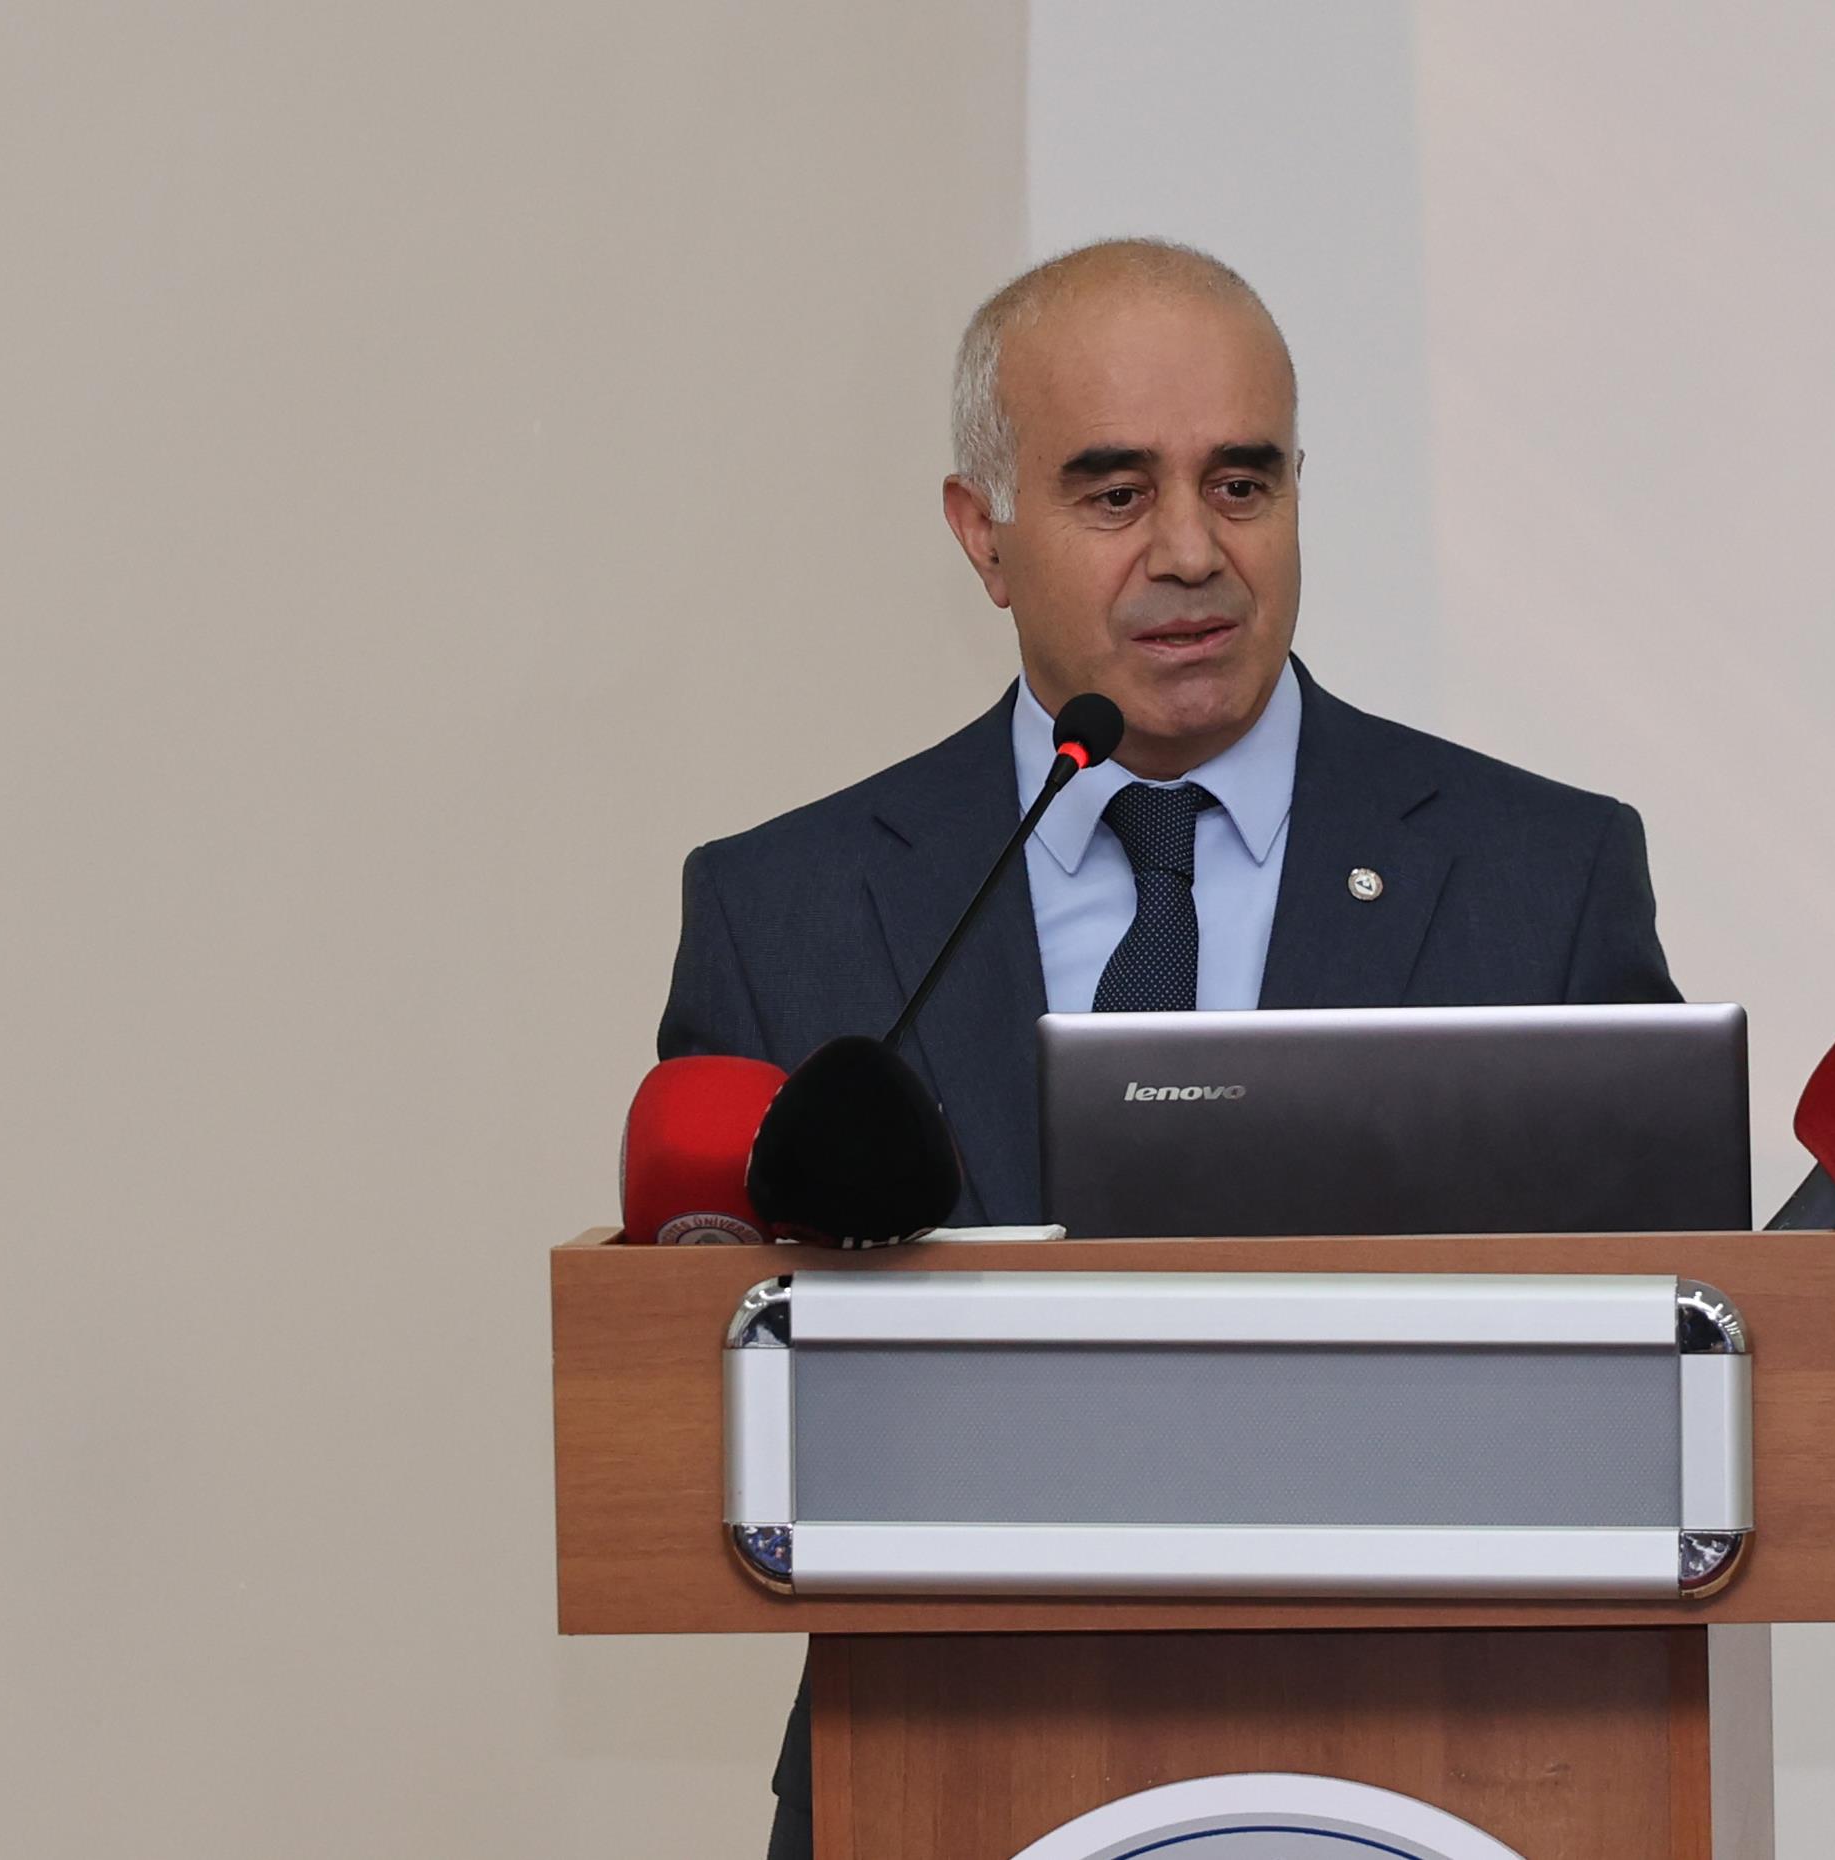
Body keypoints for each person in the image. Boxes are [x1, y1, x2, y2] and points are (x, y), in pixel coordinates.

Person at [656, 238, 1680, 1860]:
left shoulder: (1538, 878)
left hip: (1451, 1771)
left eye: (1242, 484)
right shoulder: (790, 912)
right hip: (938, 1770)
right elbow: (694, 1402)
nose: (1193, 552)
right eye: (1116, 493)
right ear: (982, 535)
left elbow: (1658, 1371)